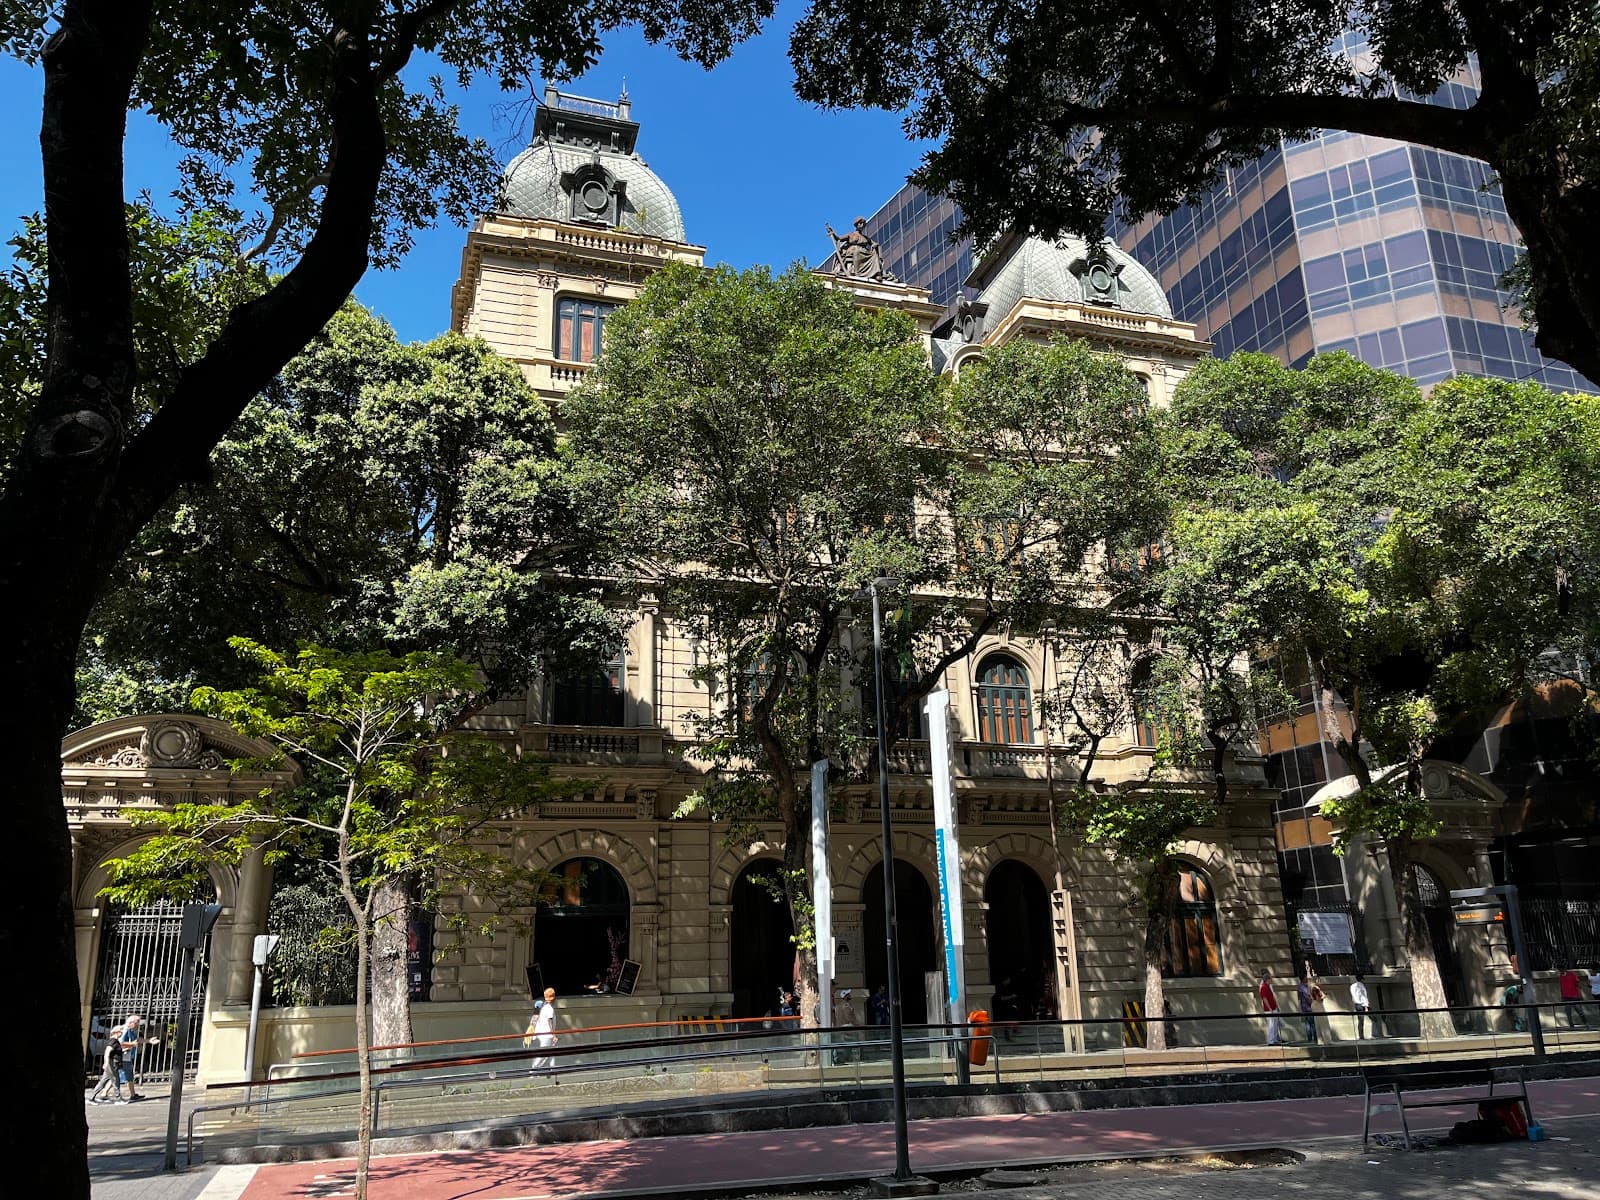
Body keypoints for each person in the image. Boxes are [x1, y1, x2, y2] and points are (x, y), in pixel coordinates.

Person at [113, 1014, 157, 1101]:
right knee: (120, 1075)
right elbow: (119, 1043)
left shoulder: (131, 1030)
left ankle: (133, 1094)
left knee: (122, 1075)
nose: (138, 1025)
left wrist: (148, 1041)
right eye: (137, 1023)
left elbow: (137, 1040)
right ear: (131, 1022)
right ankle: (106, 1092)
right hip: (123, 1056)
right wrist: (131, 1044)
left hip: (126, 1056)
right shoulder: (124, 1030)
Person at [526, 987, 558, 1071]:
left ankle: (553, 1070)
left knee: (551, 1053)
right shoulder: (550, 1008)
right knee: (544, 1054)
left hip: (542, 1034)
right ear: (554, 998)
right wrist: (554, 1035)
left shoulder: (543, 1007)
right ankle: (533, 1070)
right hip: (547, 1035)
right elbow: (549, 1021)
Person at [88, 1033, 125, 1104]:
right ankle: (118, 1098)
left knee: (103, 1081)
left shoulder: (115, 1041)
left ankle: (91, 1097)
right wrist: (106, 1063)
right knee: (115, 1080)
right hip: (112, 1064)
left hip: (112, 1063)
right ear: (116, 1032)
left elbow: (113, 1052)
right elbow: (107, 1052)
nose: (121, 1033)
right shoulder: (113, 1041)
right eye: (120, 1032)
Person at [1259, 971, 1281, 1046]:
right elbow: (1264, 999)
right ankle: (1271, 1040)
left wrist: (1276, 1006)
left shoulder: (1268, 986)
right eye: (1270, 979)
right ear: (1267, 979)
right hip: (1269, 1010)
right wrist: (1270, 1008)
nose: (1272, 980)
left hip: (1273, 1008)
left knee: (1275, 1024)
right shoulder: (1263, 987)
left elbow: (1272, 997)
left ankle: (1274, 1039)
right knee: (1271, 1025)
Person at [1297, 976, 1321, 1045]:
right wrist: (1312, 1002)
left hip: (1304, 1007)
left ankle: (1310, 1038)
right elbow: (1308, 997)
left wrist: (1300, 1008)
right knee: (1312, 1023)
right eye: (1306, 978)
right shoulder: (1304, 987)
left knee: (1307, 1023)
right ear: (1303, 979)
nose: (1307, 979)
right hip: (1308, 1007)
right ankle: (1314, 1037)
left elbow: (1299, 998)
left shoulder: (1299, 987)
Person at [1350, 971, 1371, 1039]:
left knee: (1360, 1020)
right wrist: (1366, 1005)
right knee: (1361, 1020)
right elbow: (1363, 996)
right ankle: (1361, 1036)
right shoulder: (1361, 986)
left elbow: (1353, 996)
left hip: (1357, 1004)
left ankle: (1361, 1035)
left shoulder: (1352, 986)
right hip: (1361, 1004)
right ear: (1361, 979)